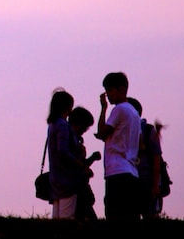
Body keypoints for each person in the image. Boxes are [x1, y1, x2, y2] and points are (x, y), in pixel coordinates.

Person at [94, 72, 142, 221]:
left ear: (121, 89)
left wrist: (103, 108)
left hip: (117, 169)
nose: (108, 95)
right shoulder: (134, 113)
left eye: (110, 90)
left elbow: (102, 132)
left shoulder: (119, 109)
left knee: (114, 216)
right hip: (132, 170)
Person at [46, 88, 86, 219]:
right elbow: (63, 151)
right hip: (67, 179)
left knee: (57, 218)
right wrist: (80, 164)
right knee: (66, 218)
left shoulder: (53, 125)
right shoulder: (63, 126)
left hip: (55, 178)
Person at [130, 97, 165, 220]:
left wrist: (155, 185)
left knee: (150, 215)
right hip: (132, 179)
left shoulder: (148, 130)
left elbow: (156, 159)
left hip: (147, 180)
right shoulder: (126, 130)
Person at [68, 106, 101, 221]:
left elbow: (80, 163)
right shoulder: (71, 140)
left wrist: (92, 158)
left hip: (79, 186)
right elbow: (74, 163)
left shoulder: (75, 140)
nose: (85, 130)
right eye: (85, 127)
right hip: (76, 187)